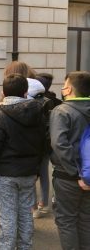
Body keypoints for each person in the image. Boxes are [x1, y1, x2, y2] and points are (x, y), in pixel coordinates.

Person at [0, 73, 46, 250]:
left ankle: (6, 247)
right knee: (25, 214)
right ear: (25, 92)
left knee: (8, 217)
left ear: (3, 92)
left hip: (5, 174)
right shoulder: (38, 112)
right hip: (29, 173)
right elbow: (43, 142)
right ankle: (25, 247)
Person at [50, 71, 90, 250]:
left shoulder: (62, 111)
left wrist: (77, 174)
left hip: (68, 176)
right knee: (85, 220)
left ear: (68, 89)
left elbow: (59, 144)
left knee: (66, 220)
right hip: (89, 176)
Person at [26, 78, 52, 219]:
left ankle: (35, 206)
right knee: (43, 175)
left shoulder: (30, 105)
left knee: (32, 177)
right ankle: (43, 203)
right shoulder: (50, 101)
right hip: (45, 146)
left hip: (36, 147)